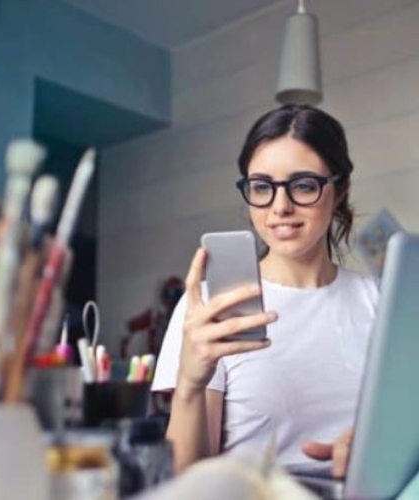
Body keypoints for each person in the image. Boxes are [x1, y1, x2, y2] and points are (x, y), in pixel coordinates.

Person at [151, 104, 379, 478]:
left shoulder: (380, 301)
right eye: (262, 187)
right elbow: (188, 482)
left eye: (304, 185)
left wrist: (374, 449)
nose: (280, 207)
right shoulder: (212, 308)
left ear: (340, 190)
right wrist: (190, 384)